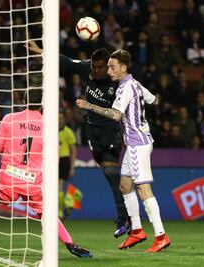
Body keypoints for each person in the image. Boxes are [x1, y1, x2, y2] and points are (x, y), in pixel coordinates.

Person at [0, 89, 92, 258]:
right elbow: (54, 158)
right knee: (47, 214)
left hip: (8, 180)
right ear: (43, 104)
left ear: (23, 101)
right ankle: (70, 243)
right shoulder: (48, 126)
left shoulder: (9, 119)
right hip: (33, 182)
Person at [25, 41, 130, 238]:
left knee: (111, 171)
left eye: (100, 67)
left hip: (109, 130)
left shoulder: (116, 82)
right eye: (94, 66)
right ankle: (127, 213)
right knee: (109, 173)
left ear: (109, 66)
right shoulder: (86, 69)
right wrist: (41, 50)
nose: (96, 71)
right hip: (91, 130)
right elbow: (65, 61)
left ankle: (124, 217)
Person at [76, 49, 171, 252]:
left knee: (144, 190)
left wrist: (88, 105)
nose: (109, 71)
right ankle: (136, 231)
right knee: (124, 185)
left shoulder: (125, 88)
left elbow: (116, 115)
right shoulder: (135, 83)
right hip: (136, 141)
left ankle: (161, 236)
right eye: (108, 67)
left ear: (123, 68)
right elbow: (154, 100)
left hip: (137, 143)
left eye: (112, 67)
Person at [58, 111, 77, 219]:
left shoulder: (68, 132)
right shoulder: (49, 130)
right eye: (58, 118)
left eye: (61, 118)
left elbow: (73, 150)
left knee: (59, 187)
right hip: (52, 160)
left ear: (64, 119)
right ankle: (67, 205)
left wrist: (72, 167)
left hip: (64, 160)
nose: (59, 120)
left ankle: (60, 212)